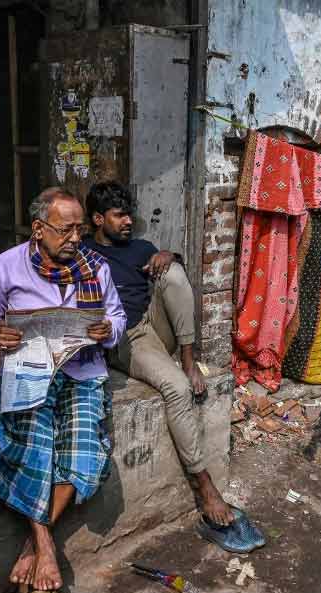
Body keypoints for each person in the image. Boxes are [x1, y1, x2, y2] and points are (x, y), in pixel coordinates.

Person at [84, 181, 264, 553]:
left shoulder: (140, 247)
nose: (129, 221)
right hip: (125, 335)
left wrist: (172, 255)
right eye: (119, 216)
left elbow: (170, 276)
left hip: (154, 325)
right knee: (177, 389)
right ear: (98, 219)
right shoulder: (83, 250)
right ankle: (205, 485)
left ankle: (187, 358)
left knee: (174, 272)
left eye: (130, 214)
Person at [0, 187, 126, 593]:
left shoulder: (96, 267)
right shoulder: (7, 266)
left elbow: (118, 316)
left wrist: (109, 330)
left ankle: (32, 543)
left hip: (81, 371)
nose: (76, 238)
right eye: (66, 230)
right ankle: (44, 544)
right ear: (38, 229)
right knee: (33, 444)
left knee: (84, 454)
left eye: (79, 229)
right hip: (29, 373)